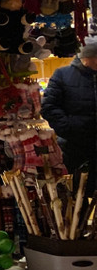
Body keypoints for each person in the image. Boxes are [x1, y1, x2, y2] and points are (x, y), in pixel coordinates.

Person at [42, 41, 97, 194]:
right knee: (77, 198)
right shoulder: (63, 75)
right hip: (74, 149)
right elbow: (49, 107)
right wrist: (70, 128)